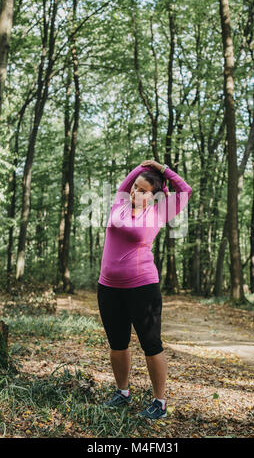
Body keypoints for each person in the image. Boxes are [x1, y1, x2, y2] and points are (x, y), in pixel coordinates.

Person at [97, 159, 192, 420]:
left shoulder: (160, 212)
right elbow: (124, 184)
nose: (135, 192)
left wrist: (162, 169)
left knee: (151, 345)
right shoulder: (120, 204)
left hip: (142, 288)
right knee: (117, 343)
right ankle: (122, 393)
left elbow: (185, 190)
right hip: (108, 287)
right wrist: (142, 167)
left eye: (142, 190)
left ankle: (159, 402)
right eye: (134, 188)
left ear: (155, 195)